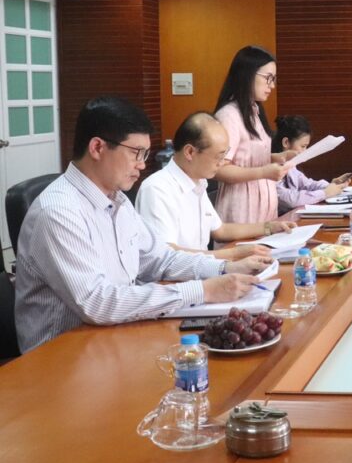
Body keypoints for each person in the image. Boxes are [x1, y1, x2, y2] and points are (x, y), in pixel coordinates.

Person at [14, 97, 271, 353]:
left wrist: (224, 268)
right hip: (62, 356)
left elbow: (160, 259)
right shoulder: (58, 212)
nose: (142, 164)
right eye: (136, 153)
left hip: (112, 337)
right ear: (97, 148)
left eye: (145, 154)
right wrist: (202, 291)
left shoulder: (118, 201)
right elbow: (97, 302)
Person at [137, 112, 297, 256]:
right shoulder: (157, 189)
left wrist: (269, 227)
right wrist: (232, 255)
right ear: (190, 152)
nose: (222, 163)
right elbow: (166, 255)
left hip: (203, 272)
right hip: (178, 279)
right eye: (219, 156)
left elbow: (220, 230)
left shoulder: (198, 181)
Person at [213, 45, 291, 225]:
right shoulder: (229, 115)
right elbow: (219, 169)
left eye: (274, 79)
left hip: (263, 208)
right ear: (247, 74)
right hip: (242, 209)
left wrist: (278, 157)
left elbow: (245, 157)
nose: (272, 85)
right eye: (268, 78)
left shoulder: (254, 111)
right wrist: (263, 172)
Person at [273, 115, 352, 211]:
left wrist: (331, 185)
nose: (305, 151)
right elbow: (290, 200)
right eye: (303, 146)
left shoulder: (290, 164)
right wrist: (325, 193)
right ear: (286, 142)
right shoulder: (270, 166)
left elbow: (307, 184)